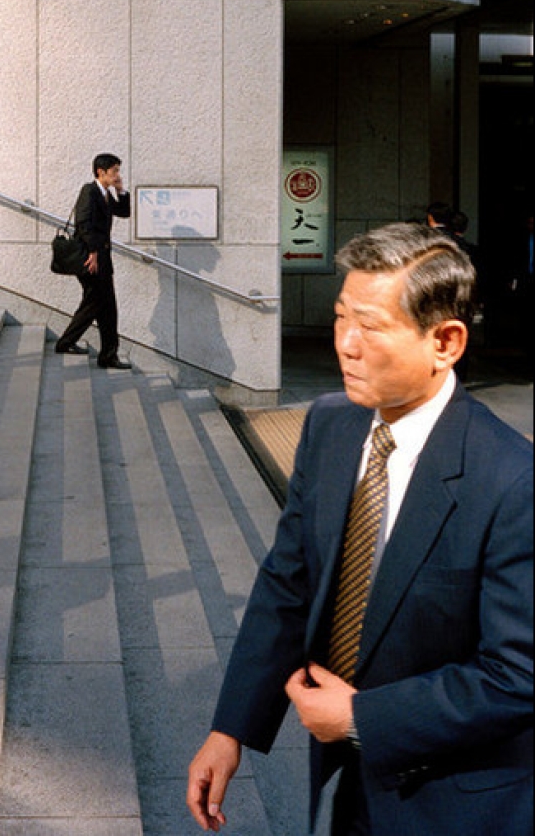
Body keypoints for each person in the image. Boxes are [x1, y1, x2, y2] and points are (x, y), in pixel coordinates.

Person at [187, 221, 532, 836]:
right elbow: (288, 583)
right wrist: (231, 726)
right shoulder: (331, 426)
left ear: (445, 342)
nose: (345, 343)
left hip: (457, 801)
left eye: (371, 327)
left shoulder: (511, 480)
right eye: (342, 317)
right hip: (346, 788)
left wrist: (361, 718)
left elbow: (517, 675)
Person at [55, 153, 131, 369]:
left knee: (99, 304)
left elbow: (124, 212)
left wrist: (120, 190)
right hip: (91, 259)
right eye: (114, 171)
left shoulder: (105, 193)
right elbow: (83, 223)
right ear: (101, 172)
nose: (117, 174)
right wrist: (94, 252)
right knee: (101, 305)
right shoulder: (89, 191)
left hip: (101, 258)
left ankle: (73, 344)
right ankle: (103, 353)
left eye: (118, 170)